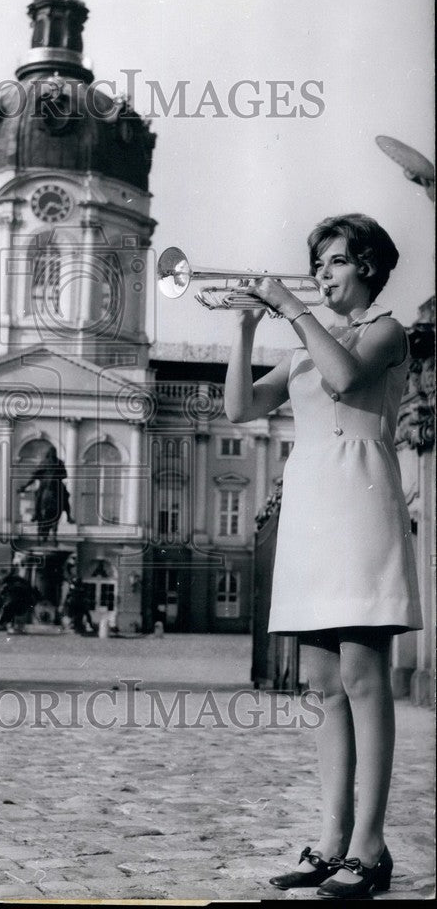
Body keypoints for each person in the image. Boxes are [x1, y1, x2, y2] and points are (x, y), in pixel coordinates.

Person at [224, 214, 422, 900]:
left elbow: (343, 380)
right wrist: (245, 329)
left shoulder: (386, 331)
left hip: (361, 501)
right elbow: (239, 409)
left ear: (367, 266)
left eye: (335, 261)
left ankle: (370, 845)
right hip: (311, 506)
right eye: (317, 264)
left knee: (364, 678)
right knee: (324, 687)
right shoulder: (305, 346)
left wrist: (289, 305)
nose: (322, 274)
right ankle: (332, 841)